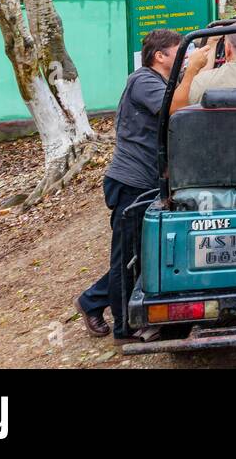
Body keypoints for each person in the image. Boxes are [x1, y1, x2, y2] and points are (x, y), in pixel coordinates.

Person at [75, 28, 182, 343]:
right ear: (159, 55)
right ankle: (124, 328)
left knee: (141, 253)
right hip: (131, 182)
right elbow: (173, 107)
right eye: (179, 51)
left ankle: (92, 300)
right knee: (127, 256)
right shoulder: (143, 80)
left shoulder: (161, 81)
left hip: (145, 181)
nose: (185, 57)